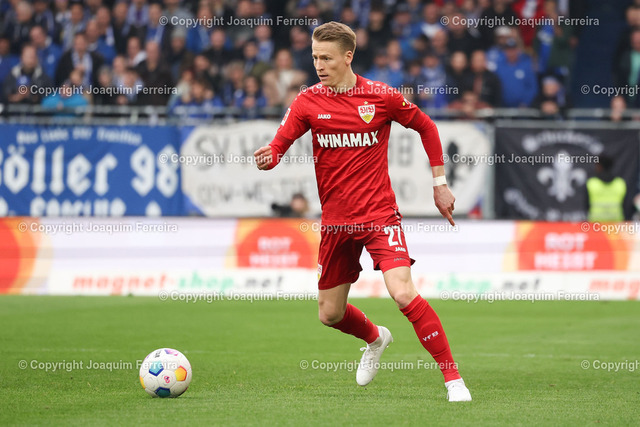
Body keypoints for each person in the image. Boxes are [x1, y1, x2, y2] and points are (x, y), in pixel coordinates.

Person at [253, 21, 471, 402]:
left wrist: (439, 183)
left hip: (379, 215)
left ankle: (453, 380)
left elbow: (427, 126)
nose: (319, 65)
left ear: (348, 56)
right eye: (315, 57)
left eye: (327, 58)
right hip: (336, 223)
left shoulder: (380, 96)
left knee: (403, 293)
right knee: (330, 314)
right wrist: (269, 156)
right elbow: (278, 147)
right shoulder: (308, 101)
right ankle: (375, 338)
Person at [586, 156, 627, 222]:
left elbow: (586, 205)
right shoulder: (620, 183)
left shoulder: (592, 183)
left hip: (595, 224)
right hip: (616, 224)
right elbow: (625, 205)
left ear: (599, 166)